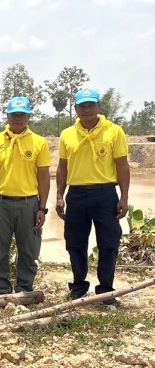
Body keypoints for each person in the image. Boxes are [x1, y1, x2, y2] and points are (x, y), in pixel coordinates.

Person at [56, 88, 130, 307]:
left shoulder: (114, 131)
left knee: (108, 243)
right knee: (75, 243)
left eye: (90, 104)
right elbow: (62, 167)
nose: (86, 109)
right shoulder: (67, 134)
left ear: (99, 106)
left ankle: (106, 290)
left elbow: (122, 166)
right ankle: (78, 286)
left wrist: (124, 196)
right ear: (76, 108)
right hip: (76, 194)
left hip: (105, 193)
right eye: (82, 105)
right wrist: (60, 195)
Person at [0, 97, 50, 294]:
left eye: (22, 114)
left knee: (29, 251)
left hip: (28, 204)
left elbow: (44, 177)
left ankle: (24, 288)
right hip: (0, 202)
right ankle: (1, 290)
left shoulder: (39, 143)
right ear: (7, 115)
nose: (18, 118)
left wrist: (42, 207)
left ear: (29, 116)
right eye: (14, 114)